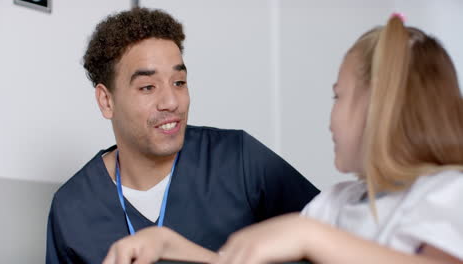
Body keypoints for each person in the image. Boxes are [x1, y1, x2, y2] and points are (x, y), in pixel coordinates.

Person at [103, 14, 463, 264]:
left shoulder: (446, 193)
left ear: (380, 107)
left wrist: (309, 236)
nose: (330, 117)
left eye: (339, 96)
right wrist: (170, 244)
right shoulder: (336, 204)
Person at [45, 7, 319, 264]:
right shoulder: (72, 208)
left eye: (179, 83)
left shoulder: (239, 160)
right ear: (106, 101)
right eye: (148, 87)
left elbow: (340, 242)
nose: (171, 102)